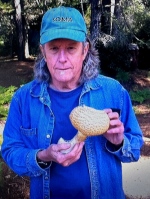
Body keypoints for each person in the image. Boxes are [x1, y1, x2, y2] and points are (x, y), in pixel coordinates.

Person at [2, 6, 143, 199]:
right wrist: (44, 156)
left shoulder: (113, 92)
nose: (62, 59)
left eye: (70, 48)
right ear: (43, 51)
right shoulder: (24, 99)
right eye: (54, 48)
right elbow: (10, 150)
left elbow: (134, 148)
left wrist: (119, 142)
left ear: (84, 50)